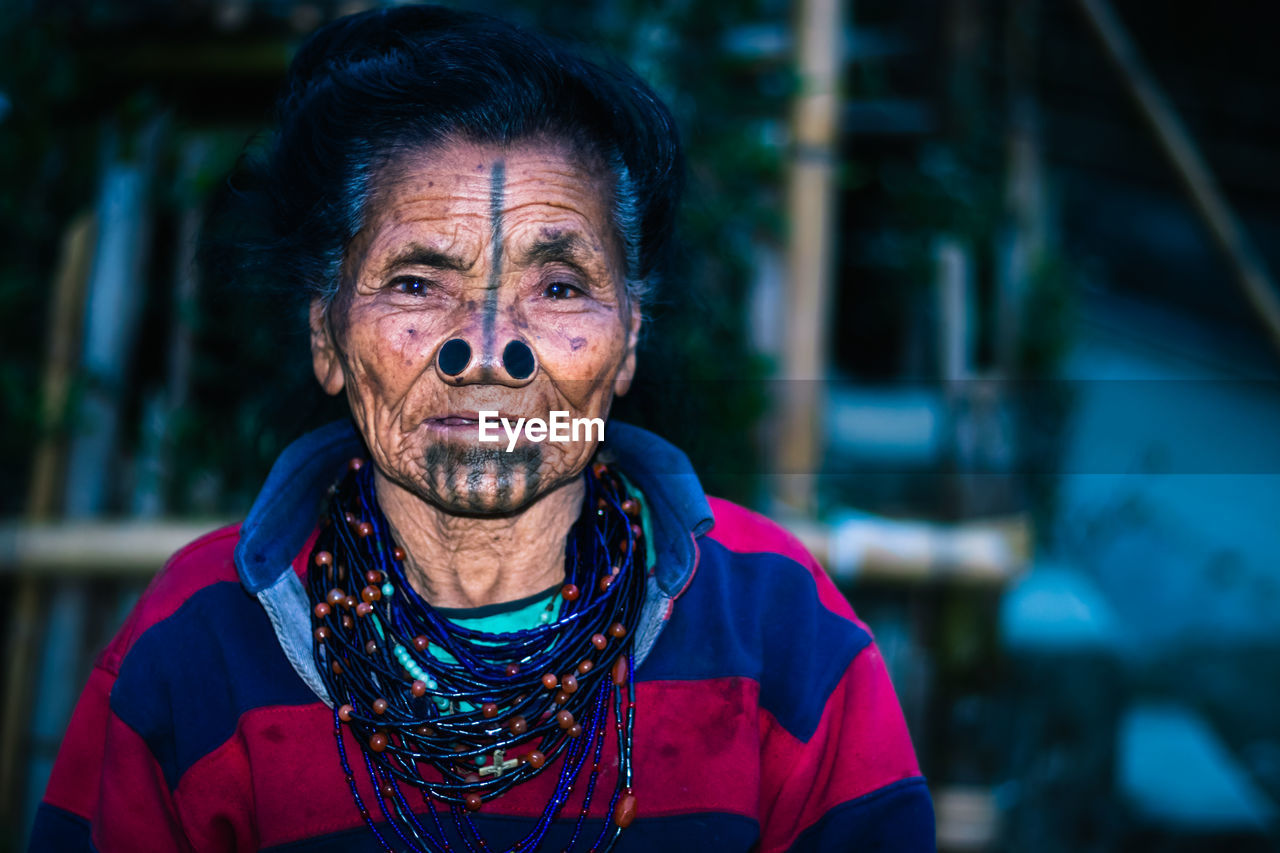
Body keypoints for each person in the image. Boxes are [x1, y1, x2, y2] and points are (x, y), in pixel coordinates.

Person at [30, 6, 934, 851]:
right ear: (327, 337)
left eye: (559, 287)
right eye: (418, 283)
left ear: (628, 343)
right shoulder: (194, 646)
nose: (489, 350)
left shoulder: (777, 625)